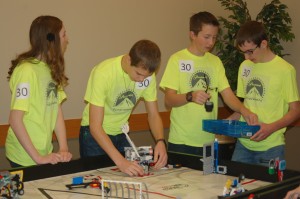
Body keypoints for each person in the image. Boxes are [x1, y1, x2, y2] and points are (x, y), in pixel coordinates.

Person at [159, 11, 257, 156]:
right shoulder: (177, 59)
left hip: (209, 141)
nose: (211, 43)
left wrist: (244, 110)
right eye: (206, 37)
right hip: (182, 142)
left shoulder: (215, 62)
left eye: (214, 37)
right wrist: (190, 96)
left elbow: (228, 95)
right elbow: (169, 100)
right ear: (192, 34)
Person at [79, 39, 168, 176]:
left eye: (147, 76)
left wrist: (160, 141)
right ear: (128, 59)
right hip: (94, 136)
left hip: (121, 132)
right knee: (98, 181)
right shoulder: (103, 73)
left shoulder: (147, 78)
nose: (141, 80)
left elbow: (153, 115)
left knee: (127, 178)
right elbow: (95, 126)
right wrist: (120, 162)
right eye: (138, 74)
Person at [229, 21, 300, 166]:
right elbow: (245, 105)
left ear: (263, 44)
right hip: (243, 144)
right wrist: (227, 122)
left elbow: (296, 110)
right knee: (235, 188)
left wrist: (270, 128)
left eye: (250, 51)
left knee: (269, 189)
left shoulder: (285, 70)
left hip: (271, 147)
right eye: (243, 52)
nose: (246, 57)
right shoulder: (244, 66)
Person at [5, 16, 72, 167]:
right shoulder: (26, 71)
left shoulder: (51, 68)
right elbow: (15, 120)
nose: (67, 39)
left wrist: (63, 147)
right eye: (64, 35)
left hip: (44, 151)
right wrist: (39, 158)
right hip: (24, 155)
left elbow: (56, 110)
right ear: (51, 40)